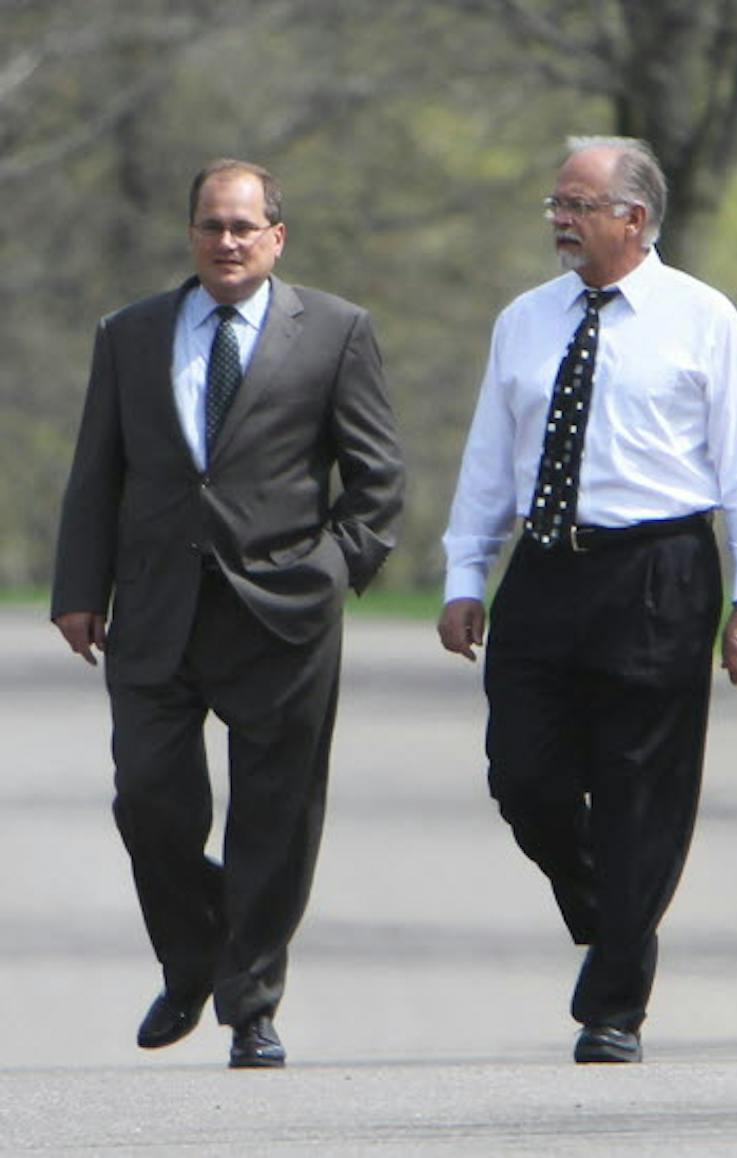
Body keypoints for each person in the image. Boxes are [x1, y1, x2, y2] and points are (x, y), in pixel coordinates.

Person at [50, 158, 405, 1069]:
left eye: (245, 226)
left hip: (282, 612)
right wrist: (80, 590)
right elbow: (99, 471)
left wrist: (333, 570)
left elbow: (377, 480)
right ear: (192, 235)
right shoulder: (131, 334)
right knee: (149, 802)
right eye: (212, 225)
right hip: (158, 608)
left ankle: (251, 1005)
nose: (228, 240)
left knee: (275, 817)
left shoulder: (332, 331)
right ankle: (193, 951)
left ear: (277, 236)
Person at [436, 136, 737, 1065]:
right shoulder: (525, 320)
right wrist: (466, 573)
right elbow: (487, 458)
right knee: (524, 774)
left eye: (578, 204)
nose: (560, 219)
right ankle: (606, 908)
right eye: (556, 203)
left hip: (659, 571)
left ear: (633, 217)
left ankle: (614, 1004)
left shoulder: (703, 319)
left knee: (642, 791)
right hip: (548, 571)